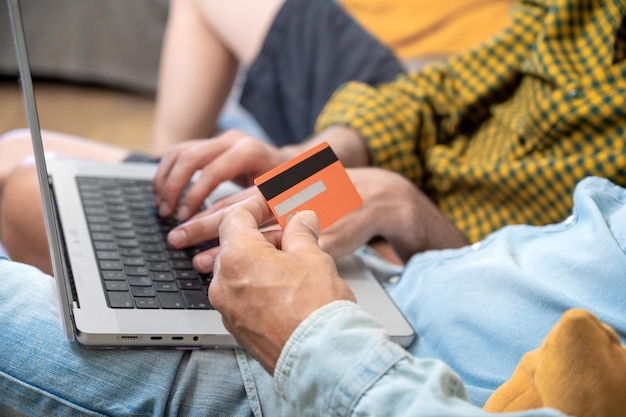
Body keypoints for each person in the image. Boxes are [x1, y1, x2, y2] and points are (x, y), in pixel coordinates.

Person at [0, 0, 626, 413]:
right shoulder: (594, 14)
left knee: (24, 179)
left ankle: (172, 192)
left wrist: (402, 213)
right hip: (398, 198)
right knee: (30, 170)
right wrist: (318, 162)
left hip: (404, 267)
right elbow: (439, 90)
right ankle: (173, 179)